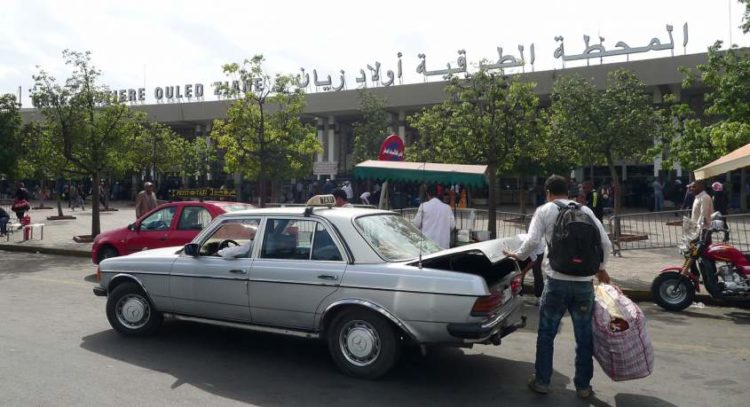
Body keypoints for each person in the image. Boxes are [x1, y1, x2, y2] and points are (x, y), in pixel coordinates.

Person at [503, 174, 611, 399]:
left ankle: (542, 381)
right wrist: (601, 267)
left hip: (556, 282)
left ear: (548, 192)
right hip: (583, 285)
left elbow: (532, 241)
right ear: (568, 190)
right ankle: (583, 386)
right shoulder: (586, 211)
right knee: (584, 337)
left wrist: (517, 255)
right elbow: (605, 243)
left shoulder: (544, 210)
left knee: (546, 333)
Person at [412, 185, 455, 249]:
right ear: (438, 194)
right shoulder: (447, 208)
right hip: (443, 246)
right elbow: (452, 226)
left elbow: (416, 224)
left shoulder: (423, 206)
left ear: (427, 194)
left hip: (427, 246)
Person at [517, 233, 545, 306]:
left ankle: (539, 297)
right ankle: (520, 294)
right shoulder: (515, 241)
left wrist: (524, 271)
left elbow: (534, 260)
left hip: (538, 252)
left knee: (537, 272)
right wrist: (521, 272)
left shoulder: (527, 244)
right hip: (526, 249)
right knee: (519, 272)